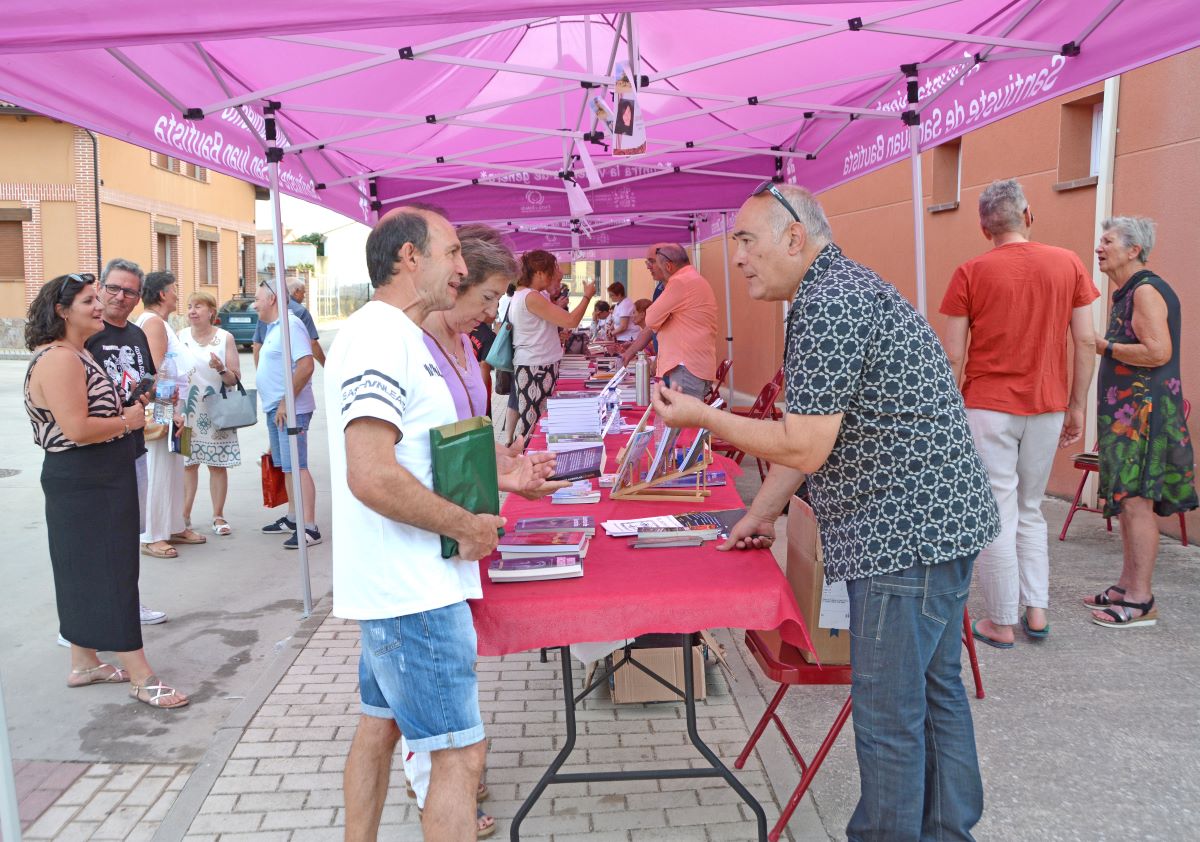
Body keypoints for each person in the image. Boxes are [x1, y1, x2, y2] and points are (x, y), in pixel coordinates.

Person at [651, 182, 999, 842]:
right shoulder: (834, 291)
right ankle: (949, 831)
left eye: (748, 241)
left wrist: (701, 415)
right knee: (933, 695)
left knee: (890, 711)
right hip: (935, 524)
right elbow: (813, 436)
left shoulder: (829, 302)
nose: (742, 259)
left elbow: (804, 443)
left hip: (905, 534)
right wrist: (761, 511)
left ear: (793, 238)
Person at [328, 208, 552, 842]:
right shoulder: (379, 335)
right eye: (452, 252)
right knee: (458, 756)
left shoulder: (397, 334)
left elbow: (420, 456)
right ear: (409, 258)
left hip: (402, 584)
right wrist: (471, 527)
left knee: (378, 729)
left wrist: (498, 477)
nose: (461, 266)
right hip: (413, 590)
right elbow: (371, 474)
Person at [411, 222, 568, 838]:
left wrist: (509, 464)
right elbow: (428, 460)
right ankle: (440, 786)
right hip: (436, 535)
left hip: (463, 530)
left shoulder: (461, 345)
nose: (489, 312)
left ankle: (450, 772)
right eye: (484, 298)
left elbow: (471, 438)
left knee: (439, 671)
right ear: (455, 282)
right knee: (434, 674)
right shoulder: (419, 346)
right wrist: (509, 480)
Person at [940, 179, 1099, 647]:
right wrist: (1075, 405)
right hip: (1048, 404)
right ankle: (1036, 611)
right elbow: (1086, 340)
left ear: (984, 226)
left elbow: (952, 355)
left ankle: (1001, 621)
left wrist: (949, 412)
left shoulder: (970, 272)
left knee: (998, 510)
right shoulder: (1068, 263)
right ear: (1027, 216)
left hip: (988, 406)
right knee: (1032, 509)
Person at [25, 274, 188, 709]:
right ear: (61, 311)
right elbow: (76, 429)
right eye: (88, 301)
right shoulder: (60, 359)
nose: (101, 307)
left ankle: (85, 662)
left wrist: (128, 403)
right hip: (87, 479)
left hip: (91, 477)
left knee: (84, 573)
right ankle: (141, 675)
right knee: (111, 575)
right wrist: (127, 422)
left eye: (98, 299)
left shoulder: (73, 353)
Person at [1086, 216, 1198, 628]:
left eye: (1108, 240)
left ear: (1134, 250)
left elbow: (1157, 351)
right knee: (1131, 501)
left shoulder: (1146, 291)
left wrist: (1103, 346)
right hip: (1130, 416)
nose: (1100, 247)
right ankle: (1125, 585)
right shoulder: (1128, 292)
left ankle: (1139, 599)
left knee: (1137, 503)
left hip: (1144, 417)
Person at [85, 258, 167, 626]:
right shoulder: (85, 334)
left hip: (133, 449)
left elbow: (148, 375)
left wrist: (148, 395)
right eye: (113, 288)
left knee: (127, 533)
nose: (120, 296)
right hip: (95, 452)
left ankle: (127, 605)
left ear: (138, 297)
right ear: (100, 287)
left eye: (129, 291)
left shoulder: (136, 334)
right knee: (94, 538)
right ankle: (84, 620)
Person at [136, 271, 206, 558]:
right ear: (163, 294)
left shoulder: (159, 323)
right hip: (166, 409)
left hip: (176, 408)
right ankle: (152, 535)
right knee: (159, 472)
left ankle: (174, 525)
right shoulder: (153, 323)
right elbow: (156, 371)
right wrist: (168, 414)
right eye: (175, 289)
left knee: (174, 470)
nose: (179, 294)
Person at [255, 280, 321, 548]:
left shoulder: (291, 325)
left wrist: (286, 402)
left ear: (272, 300)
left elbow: (306, 366)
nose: (254, 304)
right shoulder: (274, 328)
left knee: (298, 465)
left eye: (257, 299)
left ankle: (310, 527)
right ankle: (294, 519)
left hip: (290, 410)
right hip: (277, 409)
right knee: (287, 466)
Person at [507, 250, 596, 443]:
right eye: (552, 269)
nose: (557, 272)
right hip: (536, 366)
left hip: (538, 364)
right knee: (531, 423)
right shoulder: (531, 296)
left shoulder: (530, 295)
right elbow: (571, 320)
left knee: (535, 420)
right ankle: (523, 459)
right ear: (539, 273)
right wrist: (587, 296)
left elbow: (538, 327)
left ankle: (525, 457)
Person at [178, 291, 242, 536]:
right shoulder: (180, 337)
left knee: (216, 465)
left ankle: (218, 516)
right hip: (186, 411)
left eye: (198, 306)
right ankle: (183, 516)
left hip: (216, 410)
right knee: (187, 464)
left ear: (211, 312)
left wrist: (221, 368)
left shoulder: (225, 338)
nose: (192, 311)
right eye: (189, 306)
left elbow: (234, 379)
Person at [641, 243, 718, 399]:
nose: (650, 268)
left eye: (656, 264)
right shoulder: (694, 278)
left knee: (685, 421)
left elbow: (650, 319)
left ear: (668, 266)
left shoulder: (680, 282)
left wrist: (665, 317)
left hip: (685, 367)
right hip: (694, 365)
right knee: (685, 419)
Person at [253, 277, 324, 367]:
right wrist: (325, 364)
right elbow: (312, 343)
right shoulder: (301, 311)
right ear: (296, 291)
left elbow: (256, 344)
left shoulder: (265, 311)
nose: (304, 296)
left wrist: (259, 371)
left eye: (257, 299)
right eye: (303, 293)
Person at [620, 246, 670, 364]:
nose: (648, 266)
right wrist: (630, 352)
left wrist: (657, 359)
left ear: (667, 263)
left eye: (652, 261)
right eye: (647, 262)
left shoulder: (678, 288)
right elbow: (651, 327)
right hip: (664, 363)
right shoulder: (659, 289)